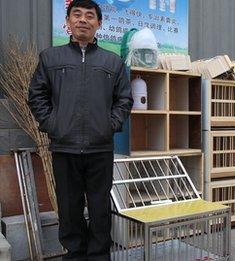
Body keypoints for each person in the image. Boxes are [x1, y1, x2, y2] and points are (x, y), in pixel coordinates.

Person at [28, 0, 133, 259]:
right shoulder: (51, 58)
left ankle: (98, 256)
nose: (83, 20)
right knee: (69, 207)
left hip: (100, 148)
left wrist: (109, 126)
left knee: (99, 208)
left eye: (89, 16)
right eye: (77, 15)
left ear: (99, 23)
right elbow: (36, 96)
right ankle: (74, 255)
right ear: (68, 22)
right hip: (65, 147)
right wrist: (54, 125)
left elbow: (124, 100)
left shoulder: (112, 62)